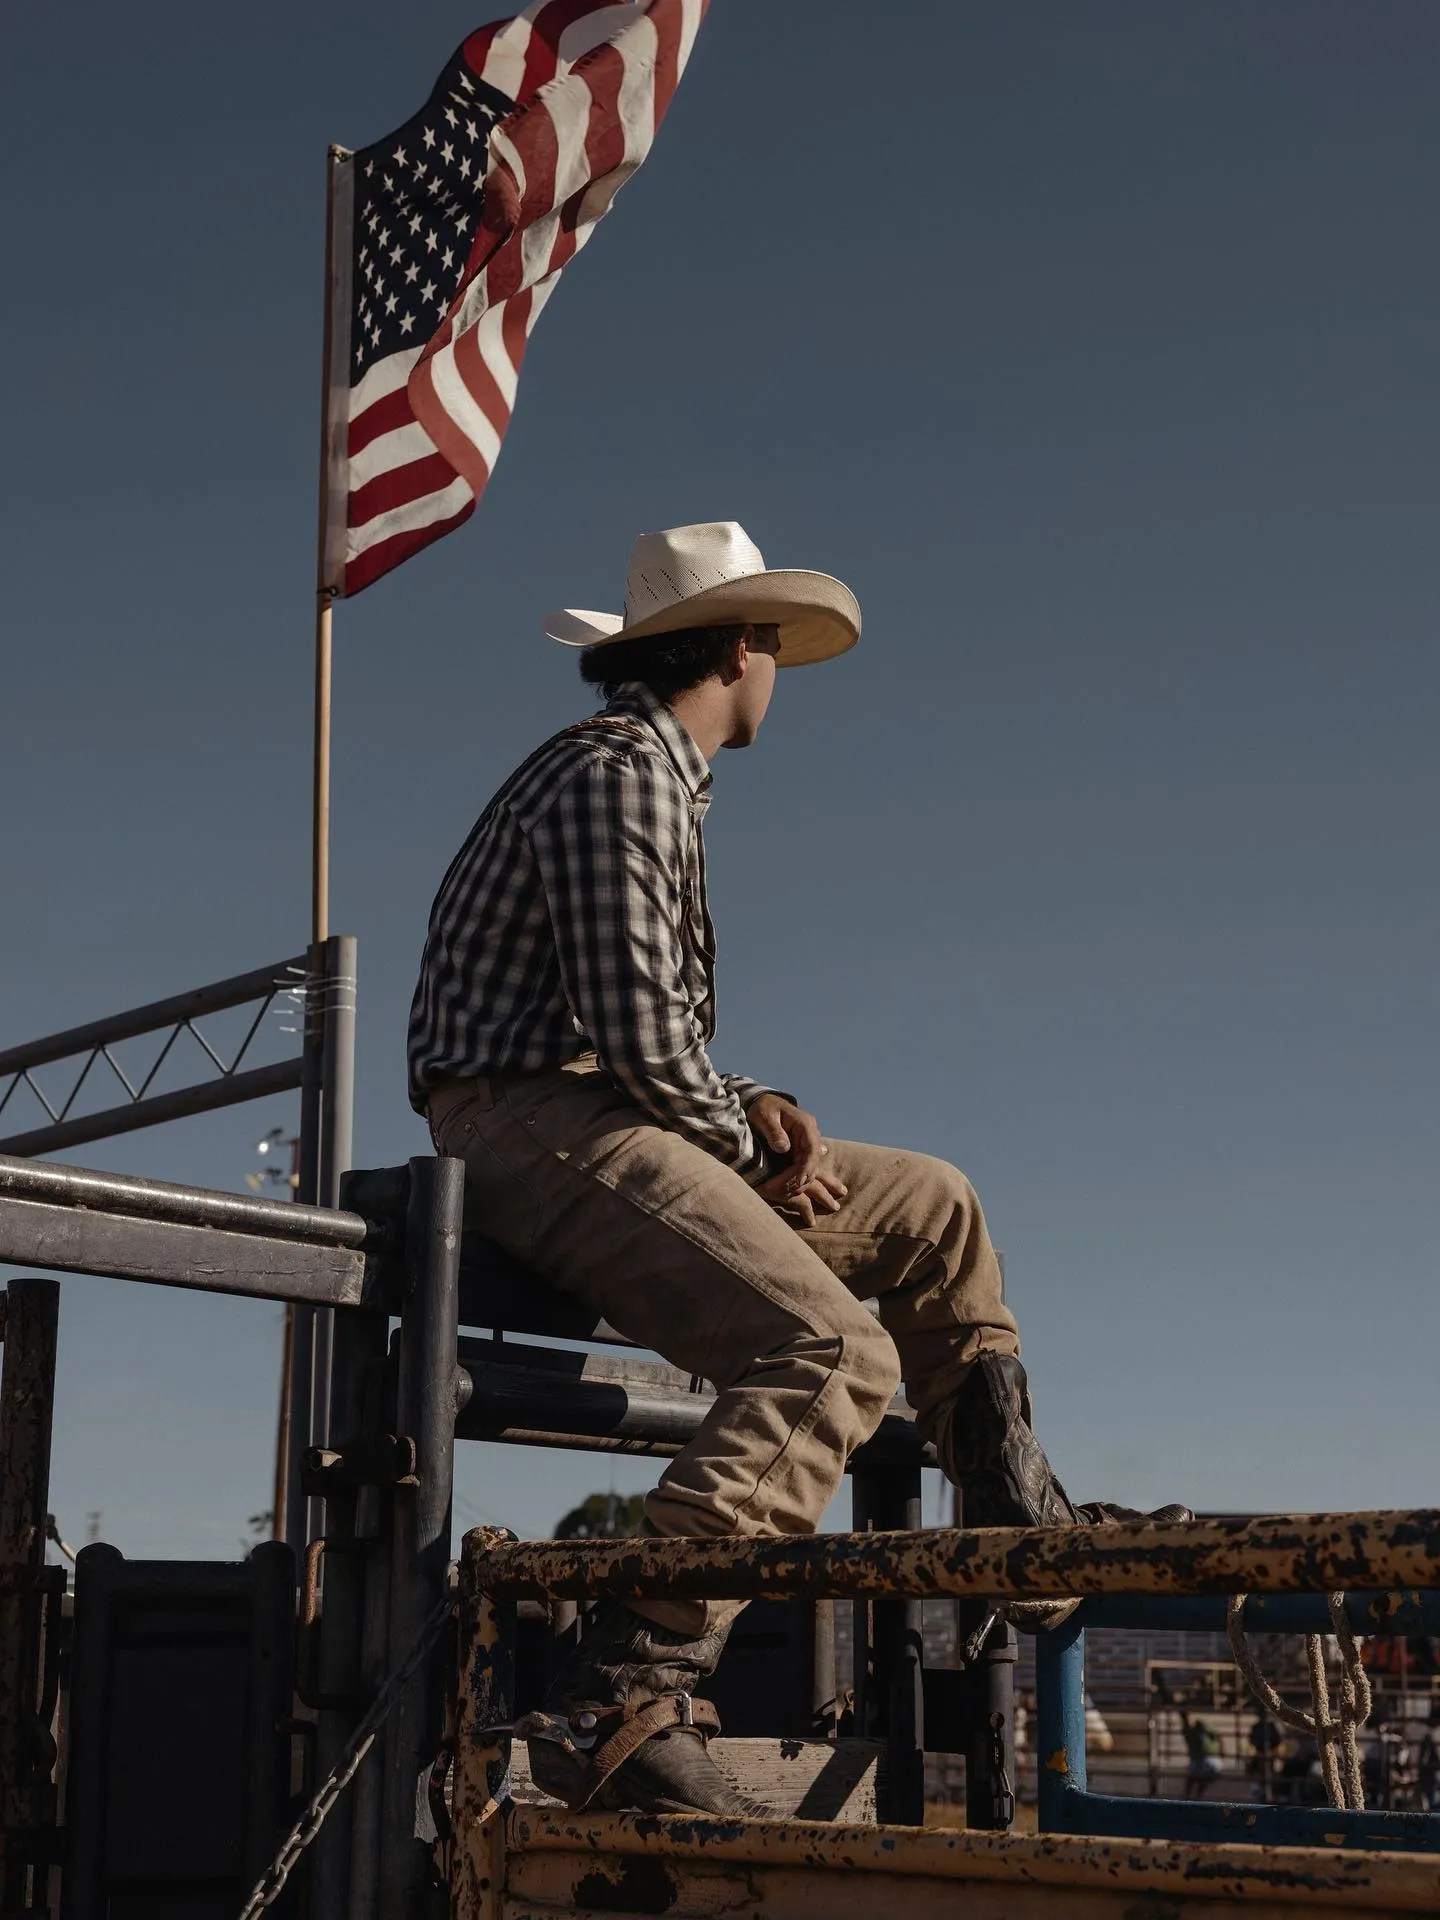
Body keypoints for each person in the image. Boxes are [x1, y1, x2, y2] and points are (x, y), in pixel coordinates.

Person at [410, 521, 1190, 1817]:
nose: (778, 671)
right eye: (772, 644)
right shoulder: (620, 776)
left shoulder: (654, 775)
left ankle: (1011, 1525)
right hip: (524, 1122)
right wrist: (734, 1136)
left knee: (937, 1207)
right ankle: (629, 1679)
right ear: (738, 648)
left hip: (609, 1104)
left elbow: (643, 1026)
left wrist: (750, 1104)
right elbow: (634, 1027)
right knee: (833, 1354)